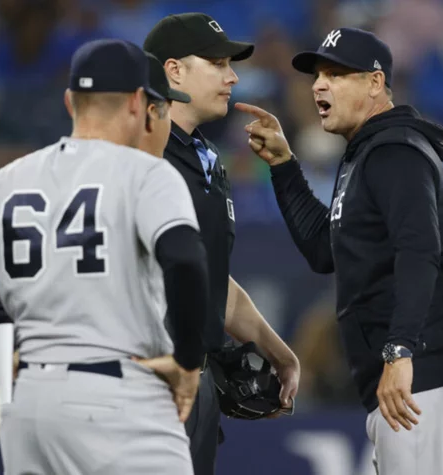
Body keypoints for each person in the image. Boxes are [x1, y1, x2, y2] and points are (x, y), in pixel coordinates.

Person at [0, 39, 210, 475]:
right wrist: (187, 360)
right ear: (139, 101)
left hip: (29, 403)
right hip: (119, 396)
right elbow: (185, 260)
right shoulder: (147, 173)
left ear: (70, 102)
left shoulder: (5, 179)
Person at [236, 27, 443, 474]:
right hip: (410, 379)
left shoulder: (396, 151)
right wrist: (284, 167)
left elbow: (419, 251)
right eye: (318, 75)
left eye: (336, 74)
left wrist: (400, 352)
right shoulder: (364, 155)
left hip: (426, 373)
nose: (319, 84)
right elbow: (324, 250)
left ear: (375, 83)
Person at [143, 12, 301, 475]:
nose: (232, 75)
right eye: (216, 63)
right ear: (174, 71)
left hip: (196, 382)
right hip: (148, 379)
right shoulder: (138, 155)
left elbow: (212, 279)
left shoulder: (208, 161)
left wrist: (279, 352)